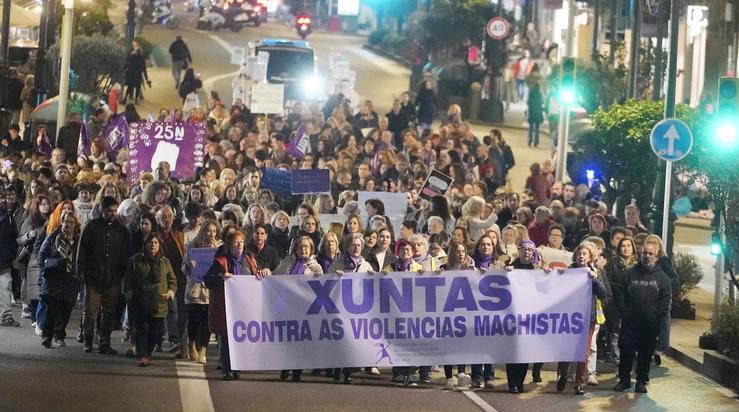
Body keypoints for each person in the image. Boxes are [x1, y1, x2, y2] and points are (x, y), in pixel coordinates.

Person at [613, 241, 671, 393]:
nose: (646, 256)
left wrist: (655, 316)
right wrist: (624, 311)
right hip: (630, 323)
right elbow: (619, 292)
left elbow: (665, 301)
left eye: (650, 254)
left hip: (650, 325)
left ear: (657, 257)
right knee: (626, 352)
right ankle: (624, 380)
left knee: (646, 355)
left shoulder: (663, 278)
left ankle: (641, 382)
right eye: (644, 253)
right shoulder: (629, 274)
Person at [78, 196, 130, 354]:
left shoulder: (121, 230)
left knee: (108, 312)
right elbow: (82, 252)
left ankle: (104, 343)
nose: (112, 214)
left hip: (112, 279)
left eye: (115, 211)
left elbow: (124, 255)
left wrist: (120, 275)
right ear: (102, 210)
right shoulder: (92, 227)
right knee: (91, 311)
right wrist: (82, 273)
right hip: (93, 277)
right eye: (109, 211)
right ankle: (88, 340)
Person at [555, 242, 607, 395]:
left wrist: (594, 279)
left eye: (584, 254)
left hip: (587, 317)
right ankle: (562, 375)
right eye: (579, 254)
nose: (581, 256)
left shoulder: (596, 272)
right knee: (566, 349)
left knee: (583, 352)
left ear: (590, 256)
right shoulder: (569, 271)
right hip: (569, 316)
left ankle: (579, 382)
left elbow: (603, 293)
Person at [205, 230, 256, 381]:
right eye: (235, 242)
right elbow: (208, 280)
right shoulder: (220, 261)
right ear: (229, 245)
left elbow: (255, 276)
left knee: (240, 338)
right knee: (226, 339)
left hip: (243, 306)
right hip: (225, 307)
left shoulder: (248, 260)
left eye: (241, 242)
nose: (239, 245)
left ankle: (237, 368)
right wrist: (222, 277)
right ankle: (227, 369)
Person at [275, 235, 324, 382]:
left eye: (306, 247)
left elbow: (322, 285)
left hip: (305, 309)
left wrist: (319, 274)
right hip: (287, 307)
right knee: (287, 340)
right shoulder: (287, 262)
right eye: (300, 246)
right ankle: (285, 366)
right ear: (295, 248)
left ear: (311, 250)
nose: (303, 249)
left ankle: (297, 371)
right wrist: (265, 272)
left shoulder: (315, 266)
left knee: (300, 341)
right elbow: (274, 276)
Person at [124, 233, 177, 367]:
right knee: (142, 328)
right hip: (141, 301)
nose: (152, 245)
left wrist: (170, 292)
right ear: (145, 244)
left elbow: (172, 280)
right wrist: (129, 293)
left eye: (155, 243)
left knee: (156, 331)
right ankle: (143, 355)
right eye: (150, 242)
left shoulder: (165, 262)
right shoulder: (136, 260)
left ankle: (148, 351)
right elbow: (128, 280)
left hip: (159, 302)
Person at [37, 210, 81, 347]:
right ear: (61, 222)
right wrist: (48, 265)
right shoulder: (53, 237)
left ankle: (60, 334)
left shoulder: (79, 241)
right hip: (53, 279)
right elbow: (41, 255)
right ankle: (47, 336)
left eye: (70, 222)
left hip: (70, 280)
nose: (67, 224)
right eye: (65, 221)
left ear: (75, 224)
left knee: (65, 309)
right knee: (52, 309)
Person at [504, 240, 542, 393]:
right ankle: (512, 382)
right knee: (512, 350)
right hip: (512, 315)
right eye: (524, 249)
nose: (527, 252)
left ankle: (520, 382)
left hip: (529, 316)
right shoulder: (511, 268)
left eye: (530, 250)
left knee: (525, 351)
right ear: (518, 251)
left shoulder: (536, 270)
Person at [183, 219, 221, 364]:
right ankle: (191, 342)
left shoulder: (219, 247)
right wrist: (189, 266)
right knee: (194, 320)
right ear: (203, 231)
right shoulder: (193, 245)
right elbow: (184, 266)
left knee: (207, 321)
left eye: (214, 231)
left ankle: (203, 349)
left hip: (209, 290)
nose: (211, 234)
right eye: (208, 230)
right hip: (194, 288)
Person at [441, 240, 476, 390]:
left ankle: (461, 374)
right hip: (447, 312)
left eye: (463, 251)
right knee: (448, 345)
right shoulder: (444, 268)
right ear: (451, 253)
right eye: (457, 251)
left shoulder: (471, 268)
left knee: (462, 344)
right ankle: (449, 377)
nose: (460, 254)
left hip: (464, 312)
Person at [604, 236, 637, 365]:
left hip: (632, 304)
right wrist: (620, 286)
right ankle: (618, 359)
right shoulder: (612, 263)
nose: (626, 248)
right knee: (616, 332)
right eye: (623, 246)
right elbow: (607, 281)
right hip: (616, 303)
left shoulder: (638, 264)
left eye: (628, 245)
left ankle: (629, 357)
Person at [0, 186, 20, 327]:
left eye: (2, 197)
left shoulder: (8, 217)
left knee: (5, 287)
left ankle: (6, 316)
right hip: (4, 256)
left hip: (4, 258)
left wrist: (10, 253)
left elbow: (14, 237)